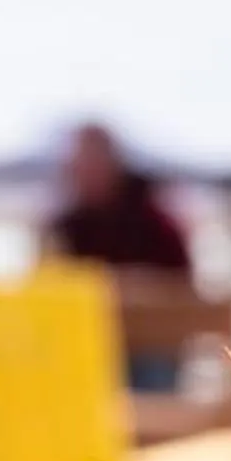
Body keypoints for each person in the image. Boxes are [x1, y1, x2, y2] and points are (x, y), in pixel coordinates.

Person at [43, 125, 195, 391]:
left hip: (148, 351)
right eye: (80, 164)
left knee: (150, 368)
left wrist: (131, 286)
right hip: (84, 348)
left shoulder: (154, 221)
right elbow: (47, 284)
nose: (85, 173)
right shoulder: (65, 225)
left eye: (92, 162)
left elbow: (183, 286)